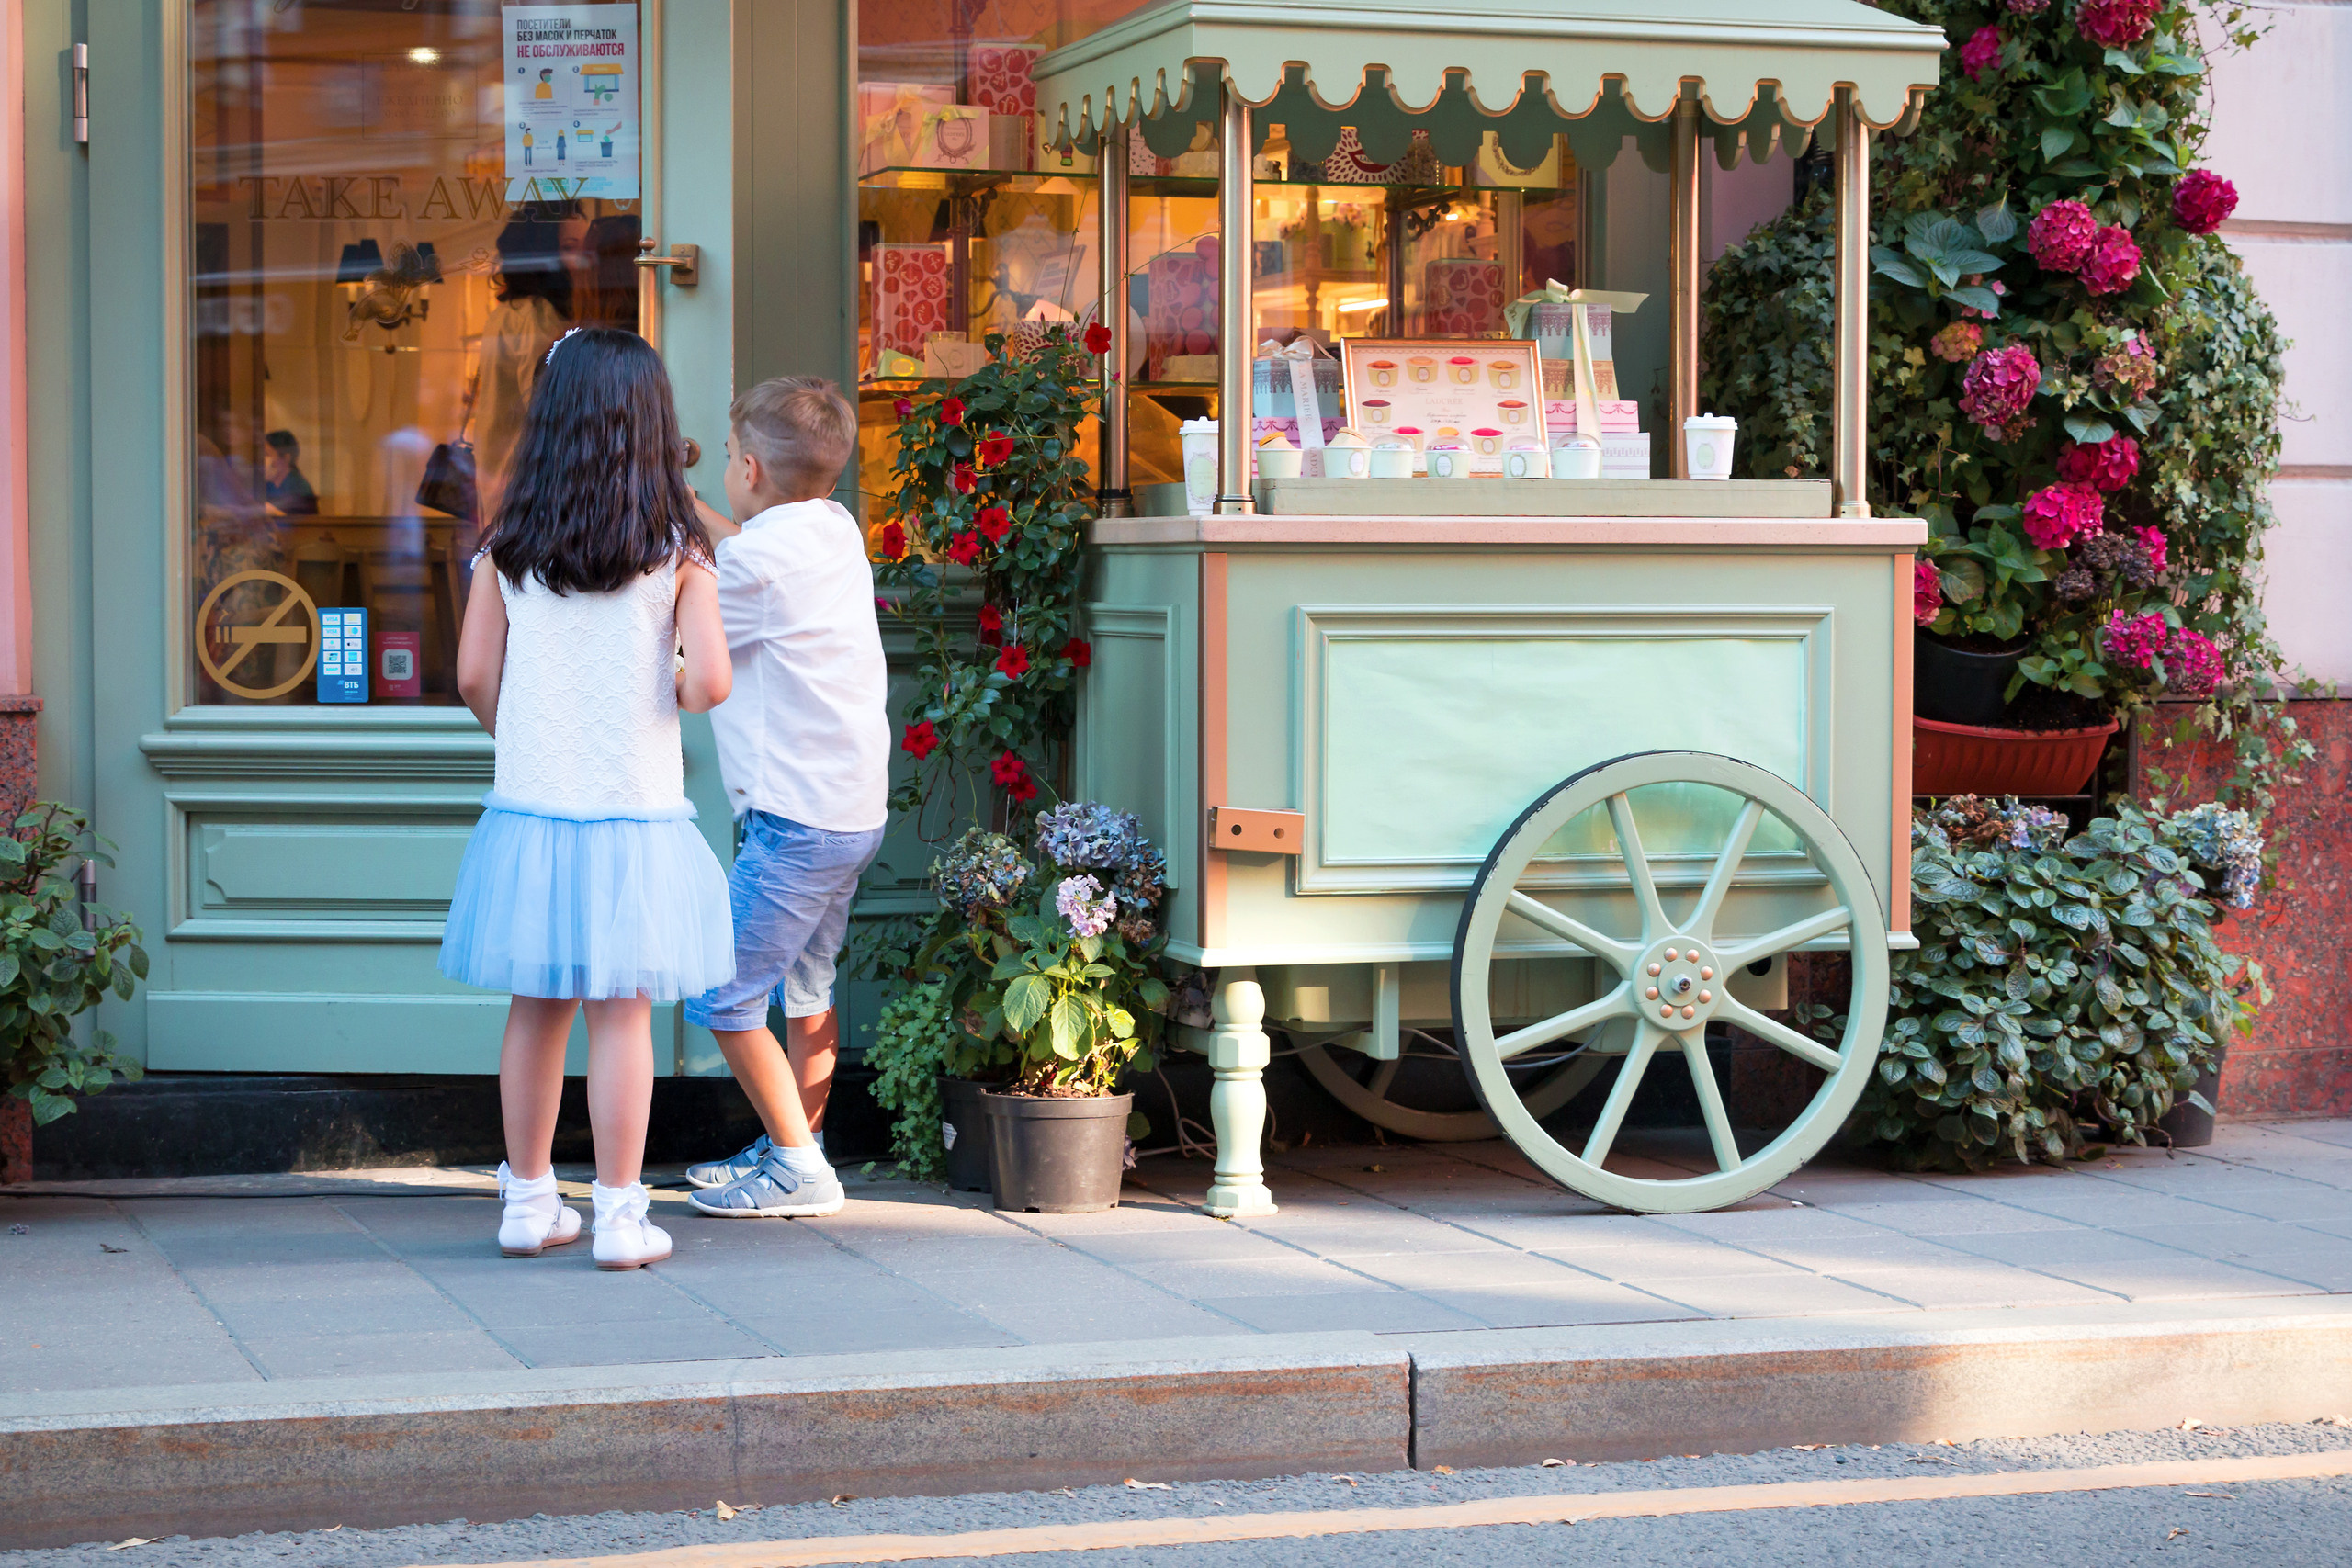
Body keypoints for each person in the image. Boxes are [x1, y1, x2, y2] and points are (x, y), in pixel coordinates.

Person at [439, 327, 735, 1270]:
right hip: (634, 812)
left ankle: (528, 1204)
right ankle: (618, 1217)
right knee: (622, 1011)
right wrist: (668, 683)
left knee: (535, 1006)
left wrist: (526, 735)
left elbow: (473, 675)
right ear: (650, 425)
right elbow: (710, 683)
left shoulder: (509, 544)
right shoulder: (676, 549)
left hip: (533, 808)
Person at [680, 378, 889, 1220]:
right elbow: (743, 543)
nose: (728, 466)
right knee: (807, 986)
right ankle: (797, 1144)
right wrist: (685, 500)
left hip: (795, 822)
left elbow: (698, 627)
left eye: (731, 455)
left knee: (722, 994)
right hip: (850, 815)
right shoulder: (832, 527)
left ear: (752, 469)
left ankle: (800, 1169)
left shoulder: (752, 569)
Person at [471, 211, 574, 537]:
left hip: (498, 461)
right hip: (522, 468)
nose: (584, 257)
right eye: (569, 246)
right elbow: (542, 400)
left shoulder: (504, 313)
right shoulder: (536, 315)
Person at [262, 430, 318, 515]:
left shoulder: (300, 489)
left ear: (286, 458)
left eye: (267, 454)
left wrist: (274, 512)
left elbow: (304, 522)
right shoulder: (266, 486)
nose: (262, 461)